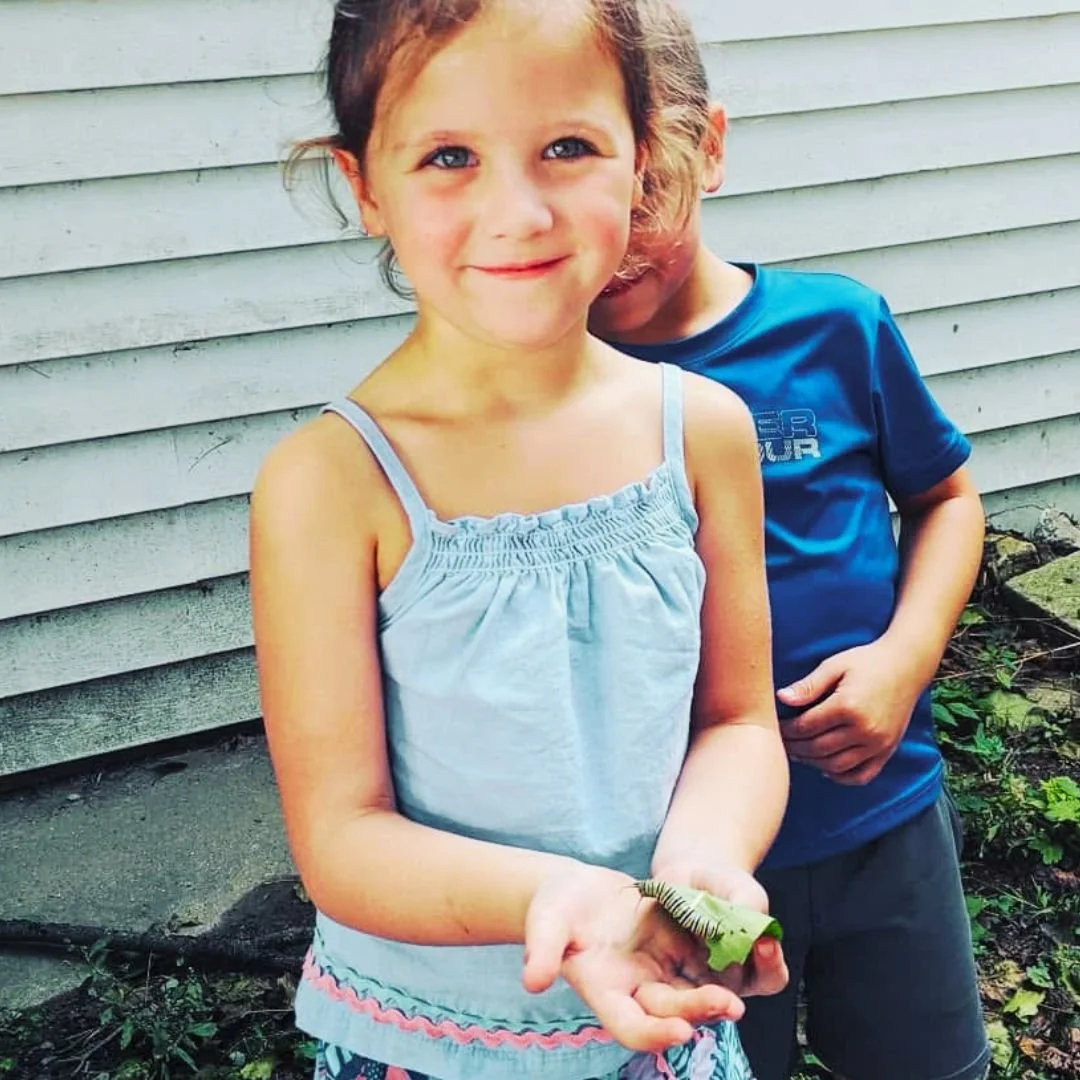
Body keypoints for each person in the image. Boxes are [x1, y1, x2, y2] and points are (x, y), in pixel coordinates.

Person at [249, 2, 790, 1078]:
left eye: (568, 147)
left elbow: (736, 721)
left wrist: (697, 869)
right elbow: (342, 837)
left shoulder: (704, 432)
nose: (519, 211)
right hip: (431, 1044)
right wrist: (560, 899)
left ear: (643, 159)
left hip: (665, 1024)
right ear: (365, 187)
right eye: (449, 156)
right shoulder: (331, 484)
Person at [588, 6, 990, 1080]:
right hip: (676, 867)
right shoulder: (546, 399)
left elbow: (948, 498)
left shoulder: (836, 326)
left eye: (647, 191)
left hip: (880, 811)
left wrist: (907, 658)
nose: (616, 239)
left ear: (710, 148)